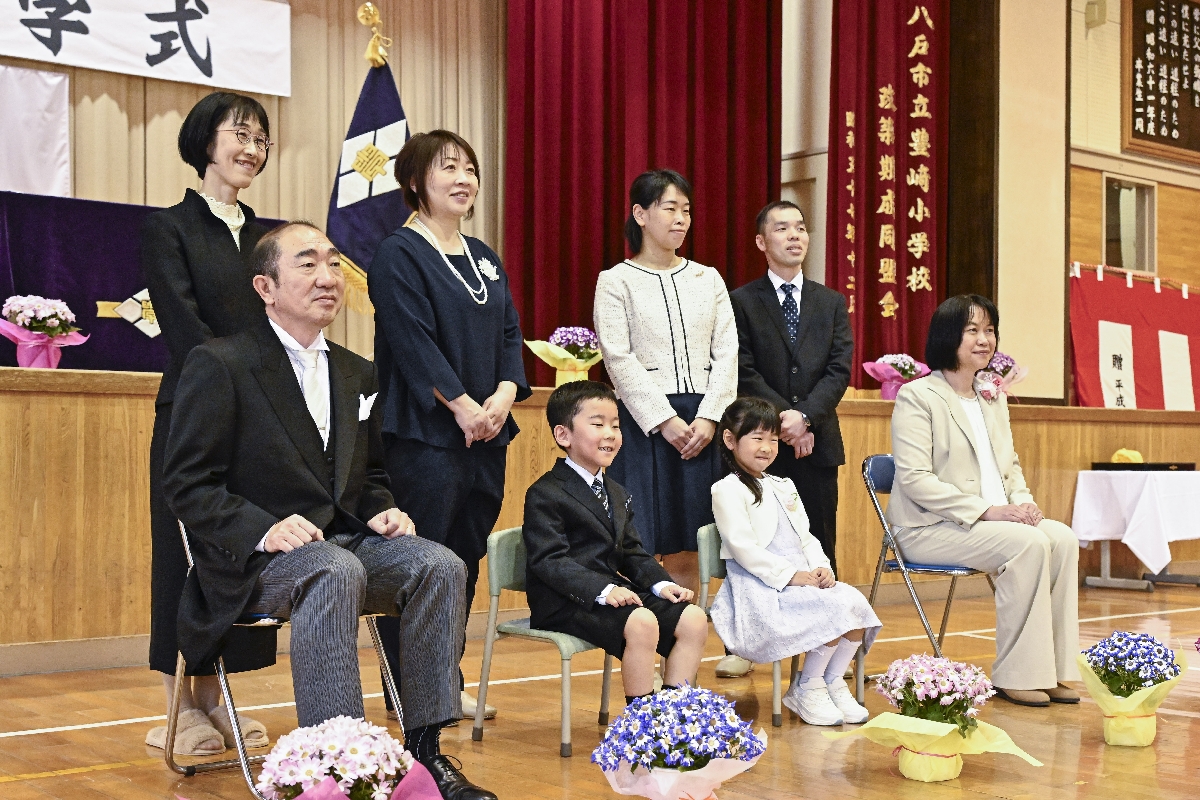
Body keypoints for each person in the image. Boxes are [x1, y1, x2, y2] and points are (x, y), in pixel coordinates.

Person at [163, 222, 497, 800]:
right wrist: (263, 528)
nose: (328, 277)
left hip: (339, 545)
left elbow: (365, 479)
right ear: (265, 287)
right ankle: (337, 769)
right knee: (335, 570)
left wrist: (385, 509)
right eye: (308, 264)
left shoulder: (355, 371)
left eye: (335, 263)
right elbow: (188, 484)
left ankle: (423, 755)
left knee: (439, 563)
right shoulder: (220, 363)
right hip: (250, 562)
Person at [368, 130, 530, 721]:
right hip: (427, 435)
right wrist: (462, 405)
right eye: (447, 168)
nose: (463, 179)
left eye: (470, 167)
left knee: (463, 559)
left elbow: (510, 330)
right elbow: (411, 340)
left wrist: (505, 396)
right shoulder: (398, 253)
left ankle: (443, 679)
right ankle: (407, 686)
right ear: (415, 181)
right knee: (420, 561)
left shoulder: (484, 255)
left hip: (488, 433)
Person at [140, 91, 275, 755]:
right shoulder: (168, 227)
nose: (251, 148)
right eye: (239, 135)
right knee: (182, 557)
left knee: (241, 558)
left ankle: (219, 699)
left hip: (261, 423)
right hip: (194, 415)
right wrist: (237, 387)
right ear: (205, 141)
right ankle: (178, 709)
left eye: (260, 138)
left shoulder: (268, 238)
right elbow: (184, 326)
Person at [886, 295, 1081, 707]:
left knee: (1060, 537)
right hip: (930, 528)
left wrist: (1025, 504)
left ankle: (1052, 671)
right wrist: (989, 511)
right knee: (1028, 544)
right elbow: (916, 480)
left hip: (991, 523)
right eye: (972, 330)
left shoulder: (992, 395)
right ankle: (1018, 674)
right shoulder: (918, 396)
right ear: (947, 336)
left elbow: (1009, 465)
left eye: (989, 330)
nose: (984, 339)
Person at [593, 169, 739, 600]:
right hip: (644, 425)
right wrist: (665, 421)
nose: (681, 219)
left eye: (687, 210)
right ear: (640, 214)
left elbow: (728, 352)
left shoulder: (708, 278)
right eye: (670, 208)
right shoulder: (616, 280)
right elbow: (618, 359)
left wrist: (710, 417)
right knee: (641, 541)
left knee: (693, 540)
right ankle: (646, 646)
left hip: (703, 424)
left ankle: (681, 644)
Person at [723, 201, 853, 680]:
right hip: (759, 445)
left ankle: (823, 653)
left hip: (816, 445)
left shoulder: (830, 301)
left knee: (818, 542)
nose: (795, 236)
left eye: (801, 227)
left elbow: (839, 369)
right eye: (782, 228)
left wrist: (805, 419)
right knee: (758, 545)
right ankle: (749, 642)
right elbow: (744, 368)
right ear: (762, 242)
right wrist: (782, 421)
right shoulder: (741, 301)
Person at [523, 381, 710, 703]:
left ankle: (674, 712)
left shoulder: (618, 492)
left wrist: (661, 585)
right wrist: (605, 590)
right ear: (563, 435)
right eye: (598, 424)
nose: (610, 433)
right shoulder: (545, 492)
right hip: (566, 600)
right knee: (641, 622)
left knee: (692, 618)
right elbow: (549, 560)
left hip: (612, 594)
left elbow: (632, 553)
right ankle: (641, 725)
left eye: (616, 425)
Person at [710, 397, 880, 726]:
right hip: (760, 584)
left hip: (800, 575)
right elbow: (742, 547)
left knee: (854, 604)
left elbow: (806, 537)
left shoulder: (784, 485)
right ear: (731, 440)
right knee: (828, 610)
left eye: (773, 439)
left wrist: (821, 567)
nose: (766, 447)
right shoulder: (727, 489)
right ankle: (808, 685)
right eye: (756, 438)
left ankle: (828, 681)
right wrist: (790, 575)